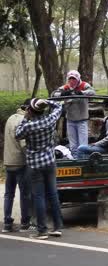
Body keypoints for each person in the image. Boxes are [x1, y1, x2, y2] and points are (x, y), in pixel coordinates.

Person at [15, 99, 64, 239]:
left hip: (35, 165)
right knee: (53, 194)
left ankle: (42, 230)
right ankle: (57, 227)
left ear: (31, 111)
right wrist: (47, 102)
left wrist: (25, 118)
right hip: (50, 162)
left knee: (39, 196)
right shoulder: (50, 120)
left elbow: (17, 134)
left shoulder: (29, 126)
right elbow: (59, 106)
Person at [3, 99, 33, 232]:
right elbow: (23, 145)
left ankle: (7, 223)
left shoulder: (10, 118)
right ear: (27, 109)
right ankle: (25, 222)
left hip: (8, 161)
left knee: (9, 194)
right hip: (20, 162)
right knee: (25, 193)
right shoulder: (23, 121)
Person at [52, 70, 96, 158]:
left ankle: (83, 160)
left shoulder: (84, 85)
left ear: (78, 79)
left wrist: (82, 93)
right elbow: (53, 94)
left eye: (74, 79)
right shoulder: (66, 87)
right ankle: (74, 160)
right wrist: (62, 93)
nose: (72, 81)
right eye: (70, 79)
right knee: (73, 145)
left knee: (83, 145)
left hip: (82, 120)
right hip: (70, 120)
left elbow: (93, 92)